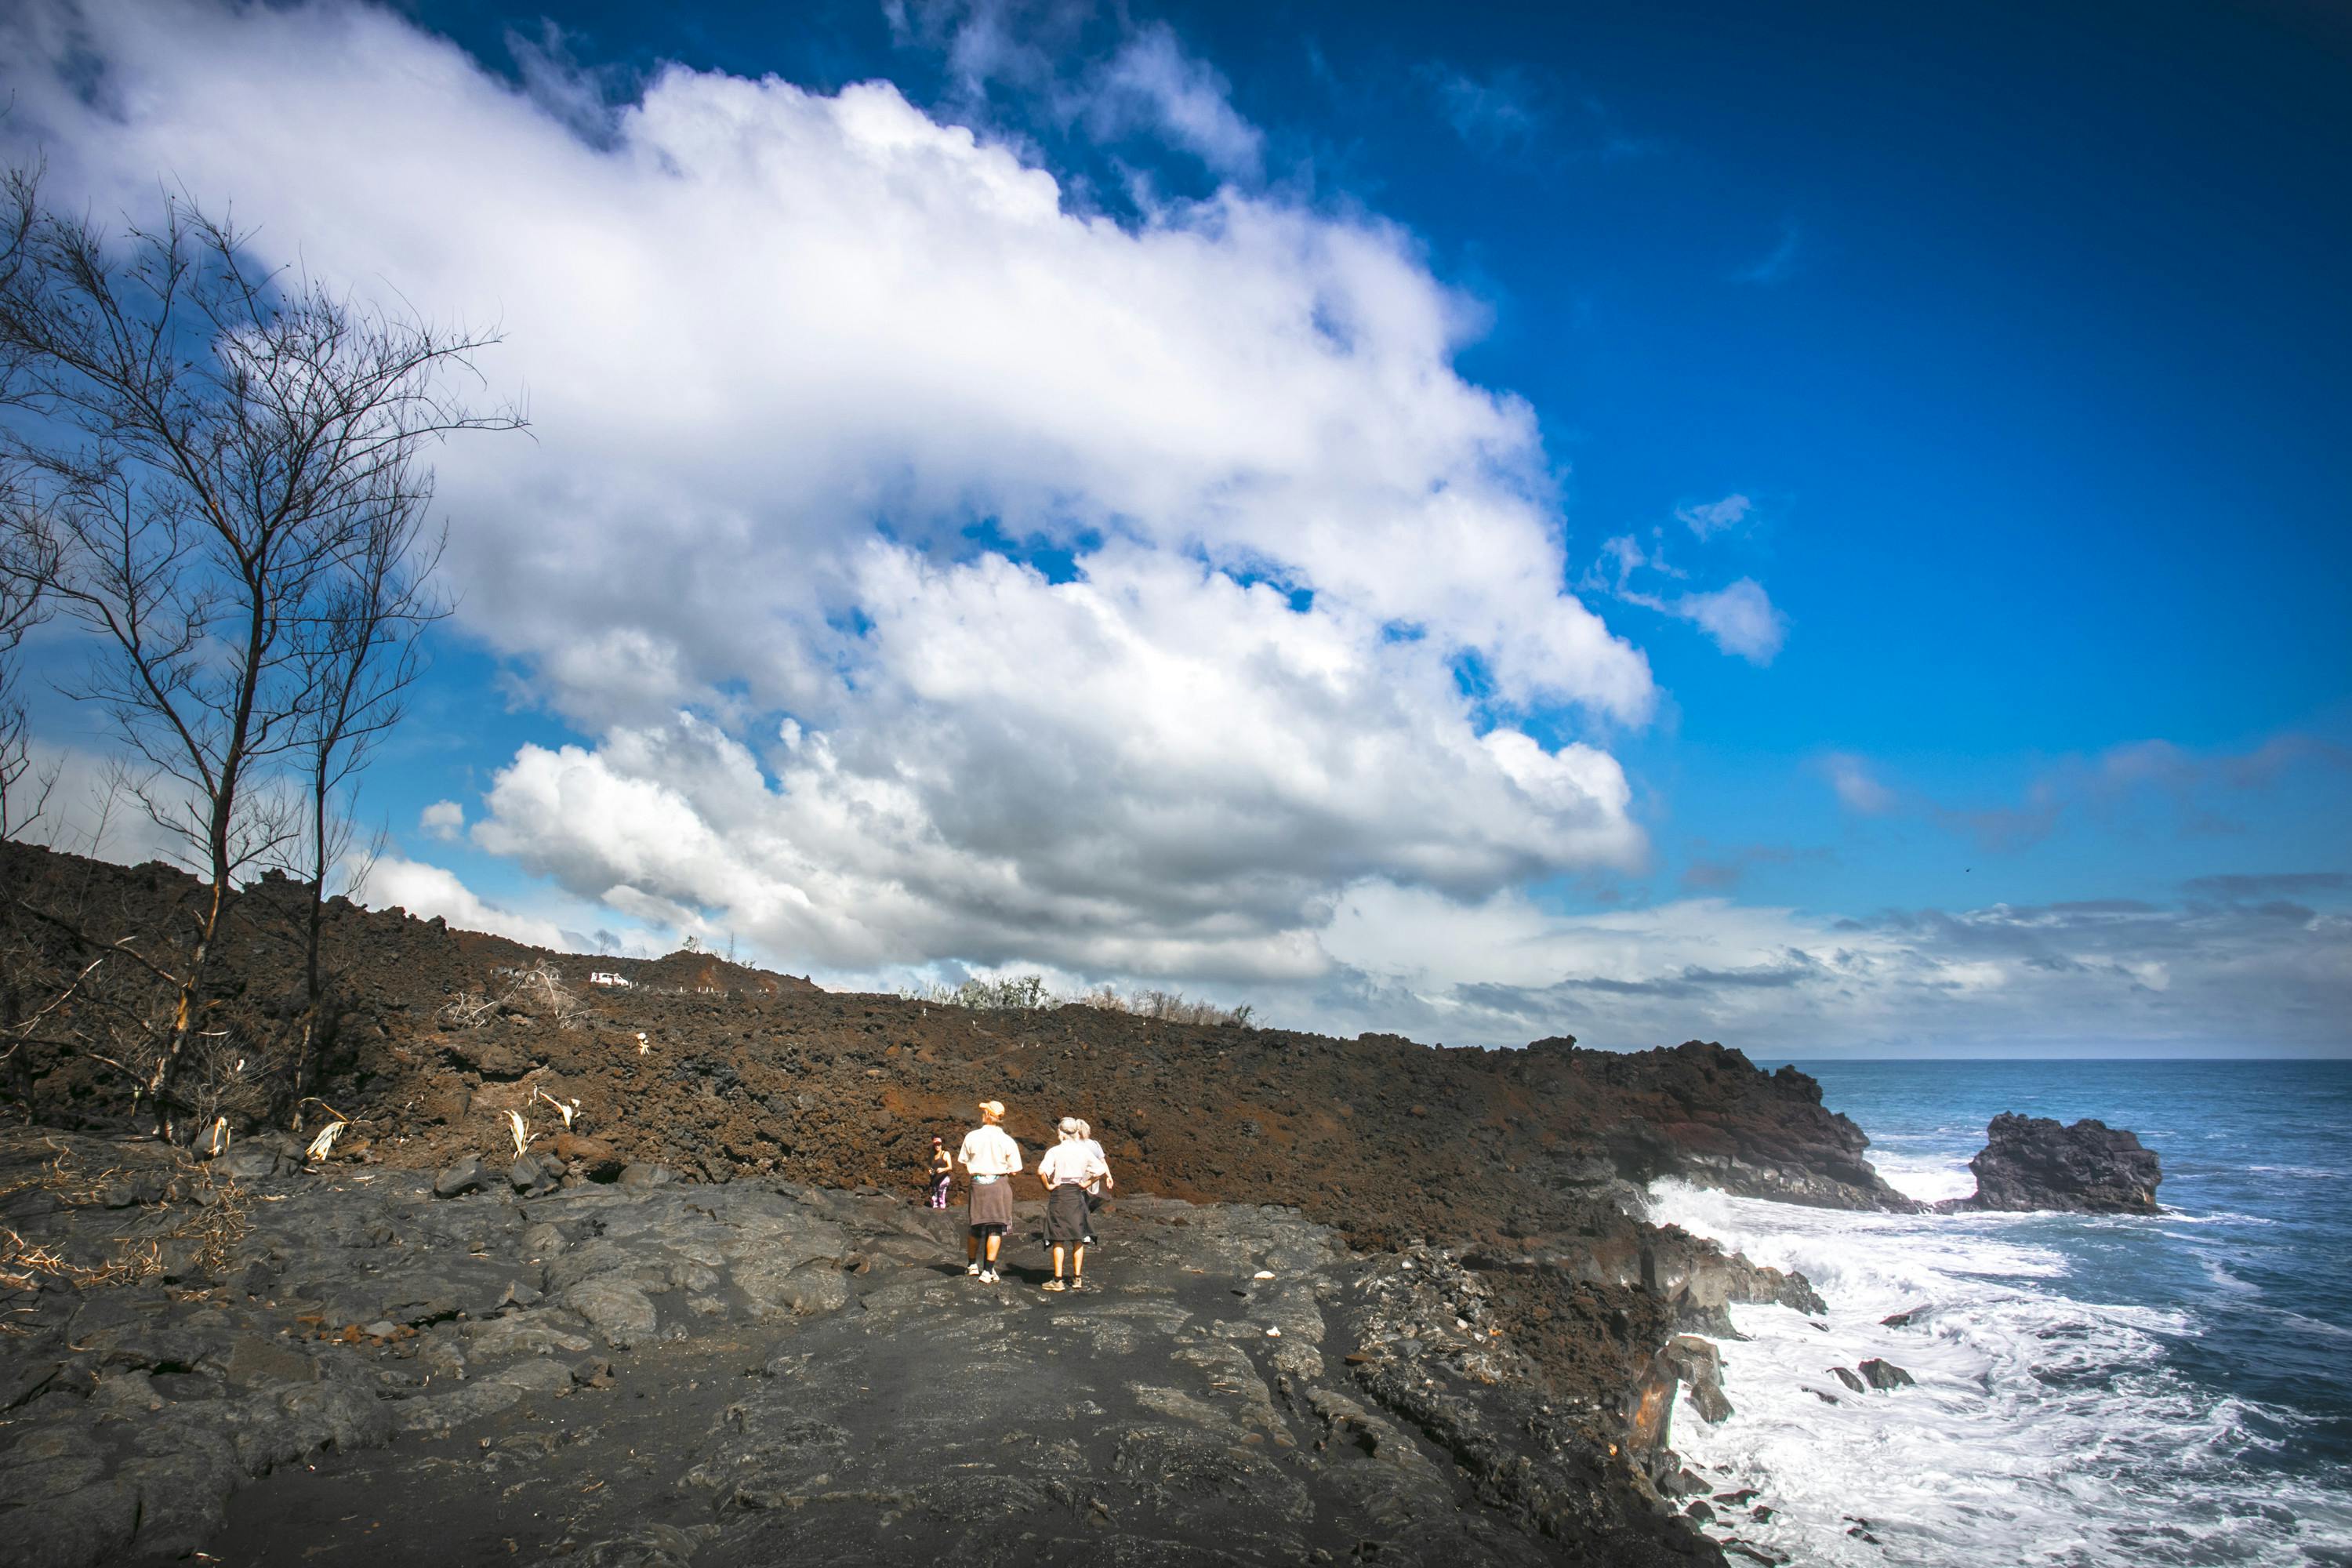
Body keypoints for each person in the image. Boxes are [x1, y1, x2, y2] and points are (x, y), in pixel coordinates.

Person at [1036, 1116, 1110, 1292]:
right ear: (1076, 1132)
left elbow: (1041, 1171)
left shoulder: (1055, 1151)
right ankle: (1077, 1279)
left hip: (1060, 1195)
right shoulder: (1083, 1151)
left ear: (1060, 1132)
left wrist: (1048, 1186)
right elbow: (1100, 1170)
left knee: (1058, 1238)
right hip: (1077, 1194)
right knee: (1078, 1237)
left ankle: (1058, 1280)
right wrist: (1086, 1183)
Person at [956, 1101, 1022, 1283]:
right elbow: (1015, 1170)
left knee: (975, 1226)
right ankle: (988, 1271)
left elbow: (963, 1160)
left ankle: (972, 1265)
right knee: (995, 1228)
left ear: (987, 1115)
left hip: (978, 1183)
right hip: (998, 1184)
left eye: (984, 1111)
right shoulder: (1007, 1141)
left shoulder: (972, 1136)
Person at [1073, 1118, 1112, 1246]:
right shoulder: (1095, 1144)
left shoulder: (1073, 1145)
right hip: (1093, 1179)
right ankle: (1083, 1231)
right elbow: (1102, 1162)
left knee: (1079, 1205)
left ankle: (1083, 1233)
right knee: (1084, 1203)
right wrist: (1108, 1176)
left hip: (1079, 1178)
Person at [924, 1135, 953, 1210]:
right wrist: (930, 1171)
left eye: (939, 1144)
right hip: (935, 1179)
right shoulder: (933, 1156)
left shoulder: (945, 1154)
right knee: (935, 1198)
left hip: (943, 1178)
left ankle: (942, 1209)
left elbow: (950, 1167)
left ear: (941, 1145)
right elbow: (931, 1167)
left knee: (941, 1195)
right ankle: (936, 1211)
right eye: (936, 1145)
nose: (937, 1146)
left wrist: (942, 1169)